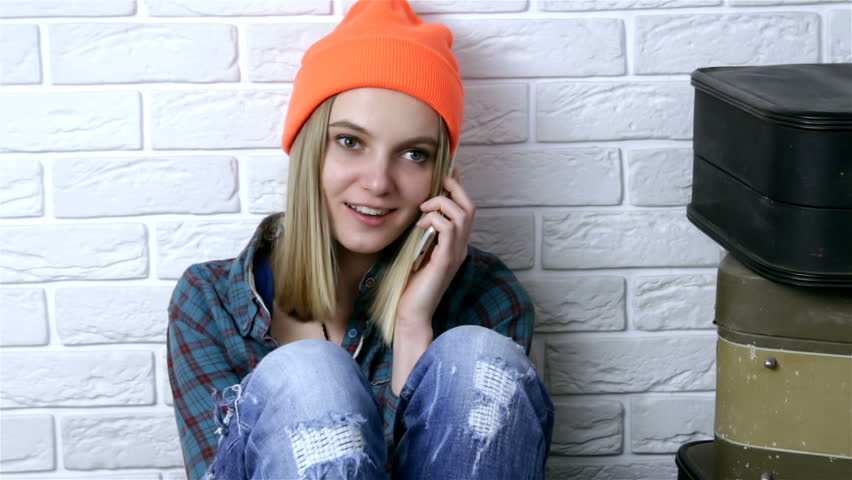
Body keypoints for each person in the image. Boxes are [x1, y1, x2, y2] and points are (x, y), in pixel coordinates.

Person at [167, 1, 554, 479]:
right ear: (309, 148)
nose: (378, 182)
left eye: (414, 154)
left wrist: (413, 325)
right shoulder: (210, 302)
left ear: (442, 177)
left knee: (478, 357)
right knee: (309, 373)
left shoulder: (489, 299)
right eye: (350, 141)